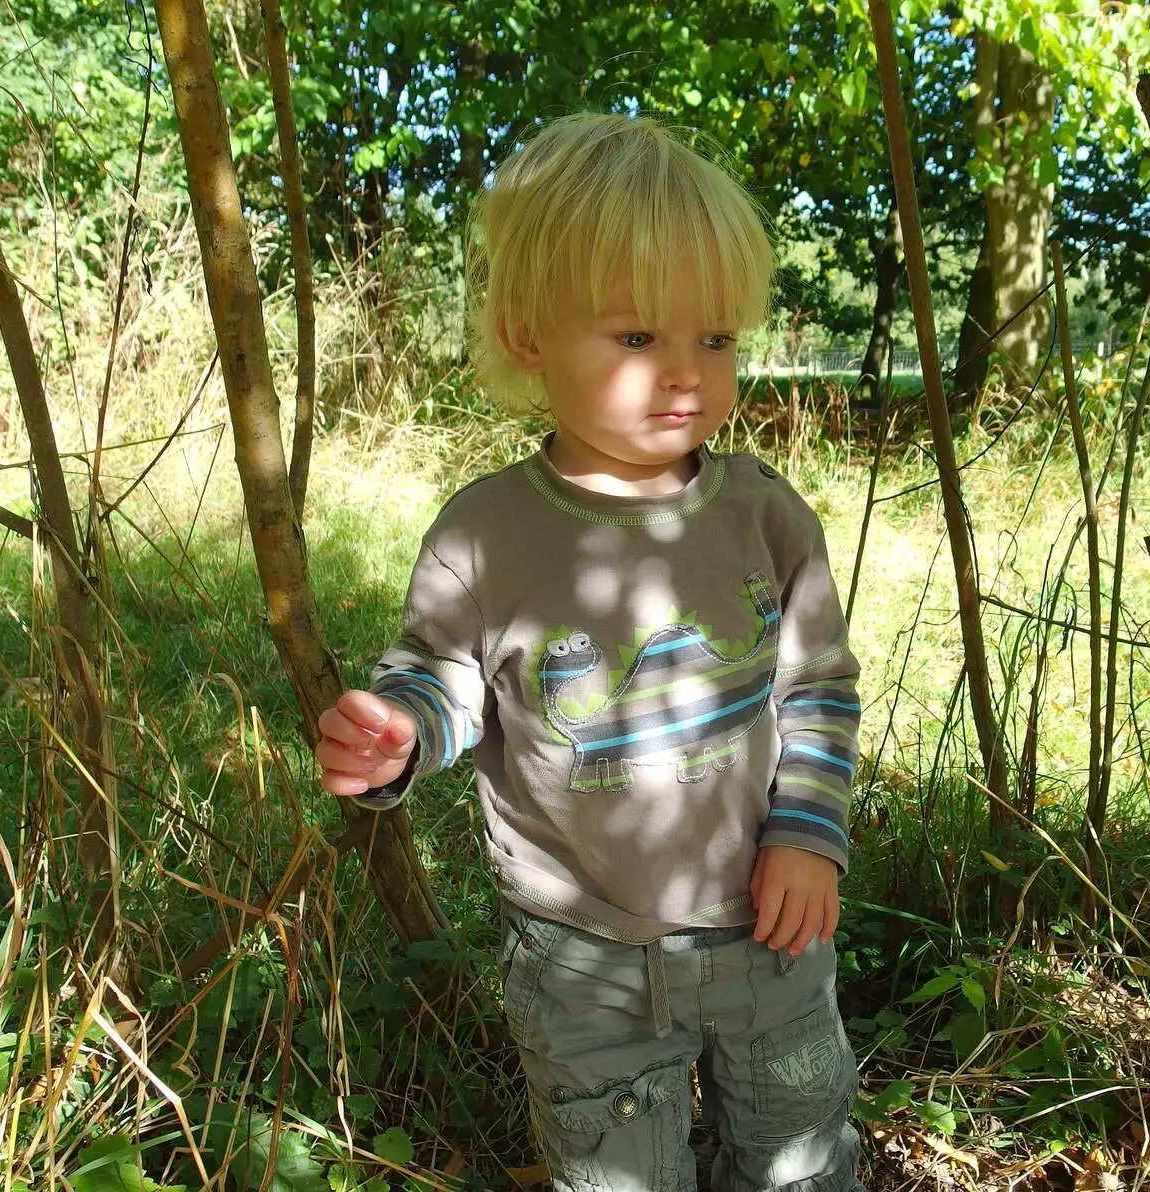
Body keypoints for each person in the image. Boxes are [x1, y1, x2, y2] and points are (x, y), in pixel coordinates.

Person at [314, 112, 865, 1192]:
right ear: (528, 334)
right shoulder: (486, 533)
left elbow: (816, 686)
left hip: (767, 925)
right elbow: (447, 677)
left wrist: (808, 834)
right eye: (636, 337)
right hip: (580, 955)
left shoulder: (764, 517)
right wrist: (400, 733)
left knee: (801, 1153)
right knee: (612, 1174)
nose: (687, 375)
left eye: (715, 339)